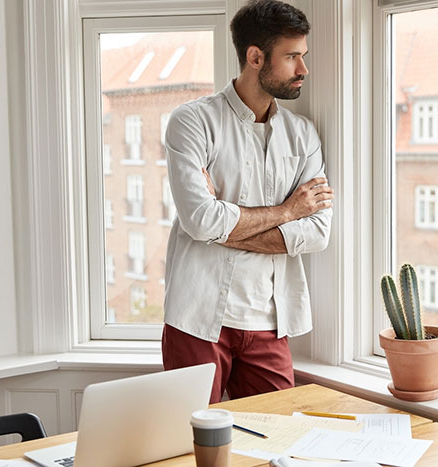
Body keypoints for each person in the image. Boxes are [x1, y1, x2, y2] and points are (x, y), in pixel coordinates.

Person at [162, 0, 333, 403]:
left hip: (270, 320)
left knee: (274, 441)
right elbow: (200, 221)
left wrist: (221, 226)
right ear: (255, 57)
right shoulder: (192, 122)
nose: (303, 69)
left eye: (302, 56)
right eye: (292, 57)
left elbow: (318, 233)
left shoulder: (302, 135)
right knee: (190, 443)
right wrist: (289, 211)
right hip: (197, 316)